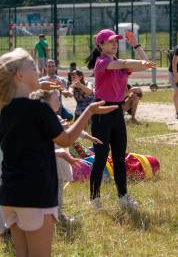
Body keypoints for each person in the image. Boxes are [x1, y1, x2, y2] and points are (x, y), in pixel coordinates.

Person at [0, 48, 116, 257]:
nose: (39, 71)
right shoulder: (39, 109)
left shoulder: (5, 109)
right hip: (36, 193)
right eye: (33, 68)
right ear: (19, 75)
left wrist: (34, 87)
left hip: (10, 194)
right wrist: (89, 111)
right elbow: (66, 139)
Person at [85, 29, 155, 210]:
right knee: (100, 157)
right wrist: (140, 60)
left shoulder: (118, 63)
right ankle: (94, 199)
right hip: (101, 110)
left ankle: (123, 196)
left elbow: (146, 64)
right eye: (110, 41)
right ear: (100, 44)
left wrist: (137, 45)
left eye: (116, 41)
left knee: (119, 156)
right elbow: (127, 62)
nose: (115, 44)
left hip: (117, 110)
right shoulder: (102, 62)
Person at [30, 89, 102, 225]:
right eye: (56, 100)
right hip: (53, 161)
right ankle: (56, 217)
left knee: (58, 188)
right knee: (54, 190)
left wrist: (88, 136)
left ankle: (56, 215)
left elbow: (72, 129)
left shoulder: (55, 117)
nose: (59, 102)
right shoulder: (41, 120)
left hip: (59, 160)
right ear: (45, 104)